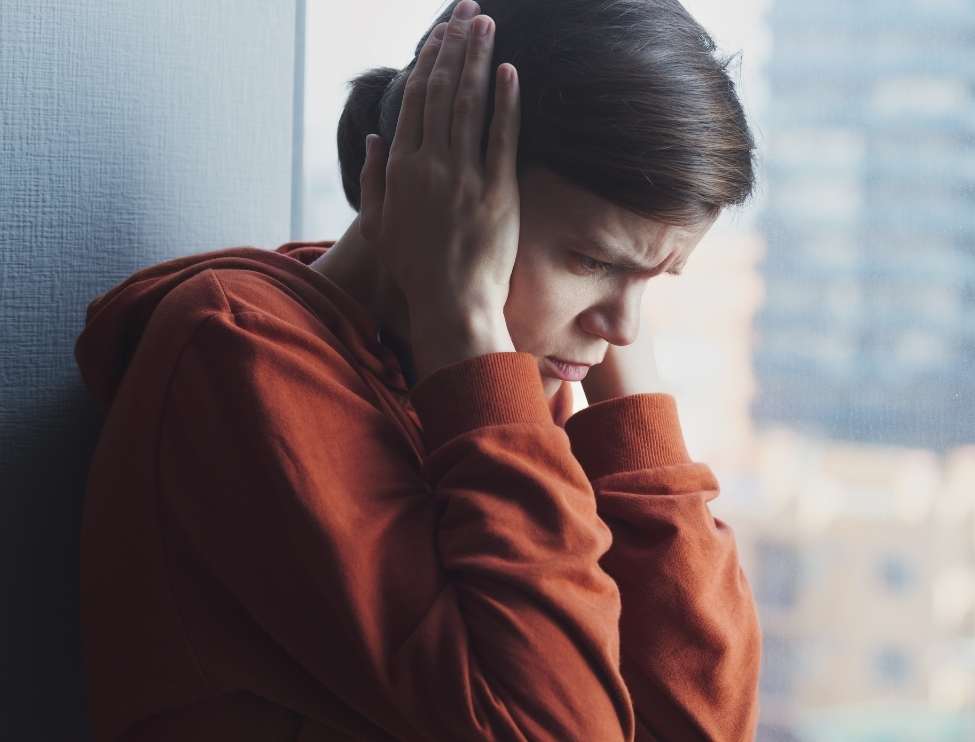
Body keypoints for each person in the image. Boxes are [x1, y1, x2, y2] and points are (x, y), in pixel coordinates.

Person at [73, 0, 762, 739]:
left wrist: (628, 416)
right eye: (592, 260)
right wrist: (464, 317)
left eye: (656, 280)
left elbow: (702, 723)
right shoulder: (238, 357)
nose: (623, 328)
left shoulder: (510, 384)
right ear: (436, 194)